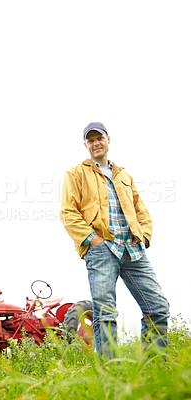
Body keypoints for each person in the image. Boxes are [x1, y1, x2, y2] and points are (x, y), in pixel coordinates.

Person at [60, 121, 170, 359]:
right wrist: (92, 239)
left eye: (99, 138)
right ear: (85, 145)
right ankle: (111, 372)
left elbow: (141, 212)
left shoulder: (124, 176)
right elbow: (68, 212)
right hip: (102, 249)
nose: (95, 143)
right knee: (105, 313)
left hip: (133, 250)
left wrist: (145, 236)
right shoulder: (76, 174)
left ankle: (153, 368)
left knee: (158, 307)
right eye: (90, 141)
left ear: (108, 139)